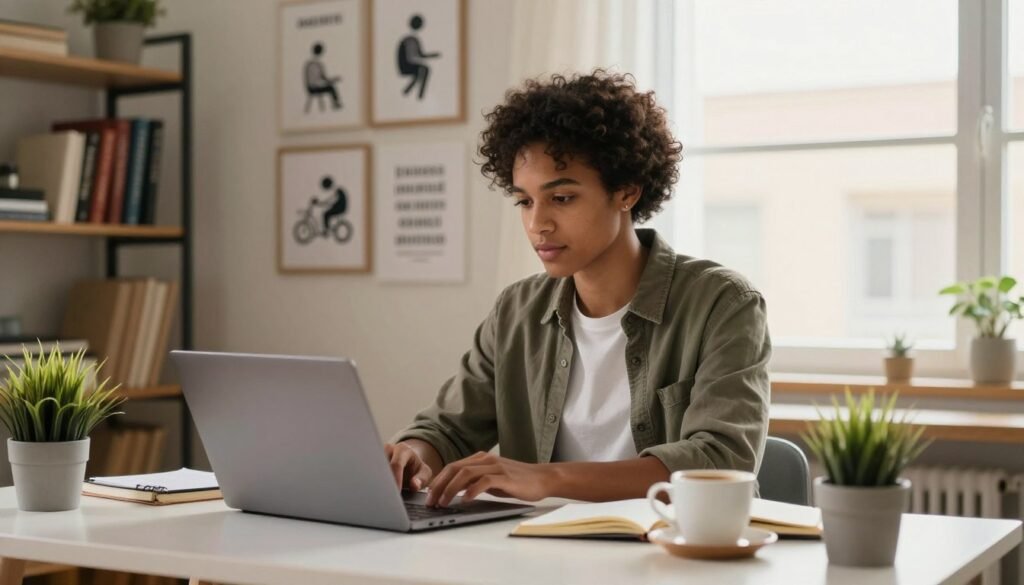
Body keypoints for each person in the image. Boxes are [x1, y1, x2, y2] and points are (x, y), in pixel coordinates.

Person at [386, 70, 771, 508]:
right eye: (525, 201)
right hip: (540, 557)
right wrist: (411, 456)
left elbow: (720, 461)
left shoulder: (722, 304)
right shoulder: (517, 310)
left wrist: (544, 480)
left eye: (562, 198)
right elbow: (447, 430)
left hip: (671, 558)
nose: (537, 224)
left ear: (626, 191)